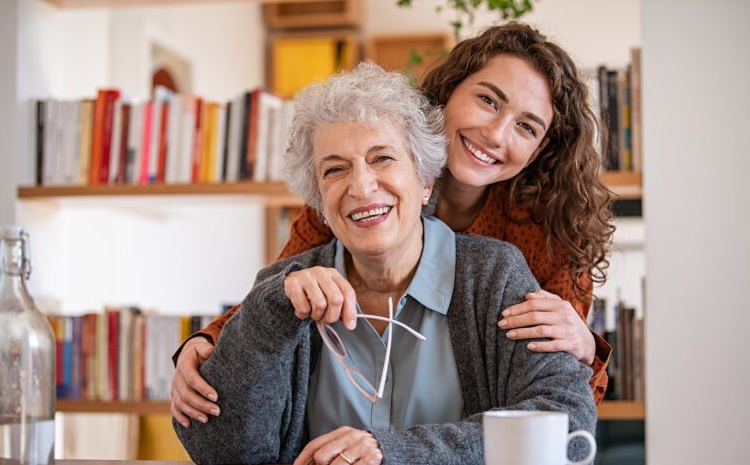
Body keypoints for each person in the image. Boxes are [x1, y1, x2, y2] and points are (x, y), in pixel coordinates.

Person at [170, 21, 615, 428]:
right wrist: (207, 341)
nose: (497, 134)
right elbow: (285, 289)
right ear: (447, 93)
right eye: (487, 100)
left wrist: (588, 347)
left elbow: (561, 405)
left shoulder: (553, 230)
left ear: (538, 150)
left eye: (526, 127)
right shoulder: (358, 194)